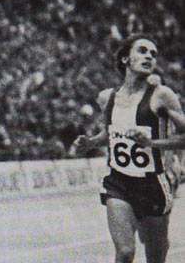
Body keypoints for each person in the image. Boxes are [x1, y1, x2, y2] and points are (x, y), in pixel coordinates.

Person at [74, 34, 185, 263]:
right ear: (125, 58)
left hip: (153, 184)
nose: (149, 57)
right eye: (142, 51)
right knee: (124, 252)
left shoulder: (162, 96)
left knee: (155, 256)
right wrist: (92, 142)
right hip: (119, 182)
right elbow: (111, 134)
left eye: (153, 54)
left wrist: (152, 144)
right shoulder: (107, 98)